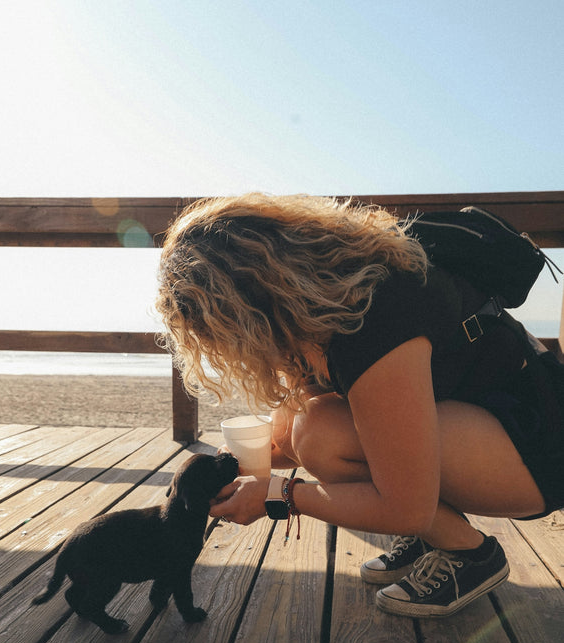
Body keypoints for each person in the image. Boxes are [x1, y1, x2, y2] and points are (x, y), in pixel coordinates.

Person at [156, 193, 564, 618]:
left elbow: (404, 506)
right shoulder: (322, 309)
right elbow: (283, 441)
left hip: (542, 454)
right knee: (297, 420)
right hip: (491, 428)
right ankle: (435, 534)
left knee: (321, 434)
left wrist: (278, 496)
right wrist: (228, 468)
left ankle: (470, 553)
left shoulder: (375, 316)